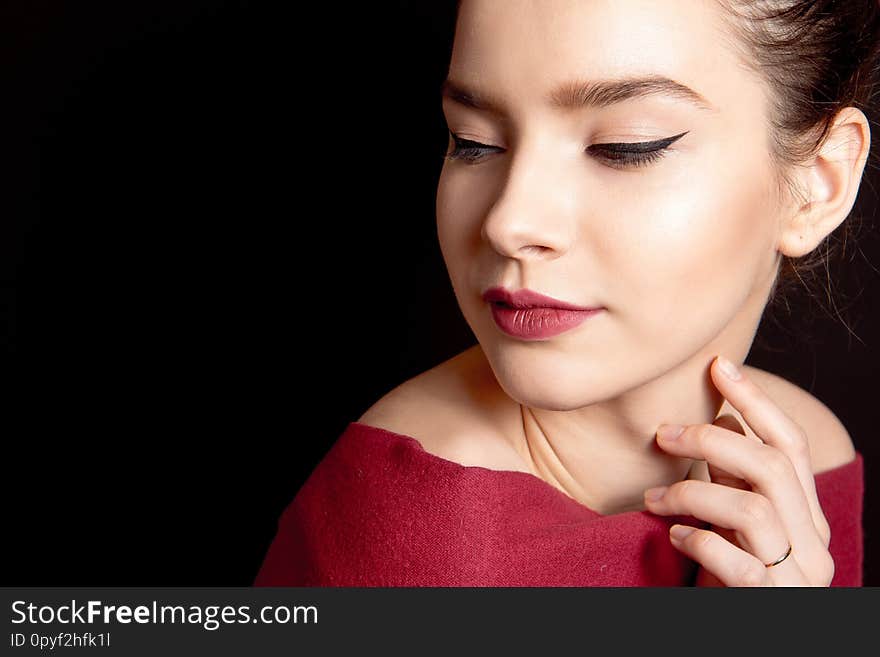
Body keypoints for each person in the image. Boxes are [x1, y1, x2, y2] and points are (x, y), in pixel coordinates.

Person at [255, 0, 875, 586]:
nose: (508, 221)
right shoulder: (418, 538)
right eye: (472, 141)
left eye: (625, 148)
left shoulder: (802, 469)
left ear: (817, 184)